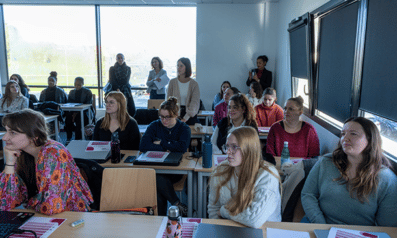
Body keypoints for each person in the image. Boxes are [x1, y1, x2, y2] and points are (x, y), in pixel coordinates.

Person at [301, 117, 397, 226]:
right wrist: (321, 225)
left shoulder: (387, 179)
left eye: (353, 134)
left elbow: (387, 226)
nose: (345, 138)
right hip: (318, 225)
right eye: (343, 134)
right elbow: (308, 194)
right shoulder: (326, 162)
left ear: (370, 140)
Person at [0, 109, 93, 215]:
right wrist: (9, 164)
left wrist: (29, 203)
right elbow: (6, 202)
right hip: (41, 216)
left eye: (12, 133)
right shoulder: (22, 154)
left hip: (69, 217)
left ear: (33, 135)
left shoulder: (53, 153)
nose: (4, 138)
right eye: (6, 131)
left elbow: (52, 207)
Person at [208, 126, 281, 228]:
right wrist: (219, 229)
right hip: (229, 229)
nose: (228, 152)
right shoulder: (221, 170)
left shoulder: (267, 176)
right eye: (227, 146)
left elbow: (254, 220)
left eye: (234, 147)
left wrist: (224, 211)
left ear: (249, 149)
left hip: (263, 231)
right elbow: (213, 208)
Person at [139, 97, 191, 216]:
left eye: (168, 117)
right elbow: (143, 146)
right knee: (156, 181)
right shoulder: (154, 125)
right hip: (155, 166)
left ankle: (160, 219)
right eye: (161, 117)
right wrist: (168, 147)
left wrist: (161, 142)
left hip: (175, 171)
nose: (164, 120)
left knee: (156, 178)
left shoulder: (184, 128)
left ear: (176, 115)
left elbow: (182, 147)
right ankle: (177, 204)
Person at [167, 57, 200, 125]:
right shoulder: (172, 82)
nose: (178, 68)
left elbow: (195, 103)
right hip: (174, 115)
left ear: (187, 67)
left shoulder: (194, 84)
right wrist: (174, 116)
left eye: (181, 66)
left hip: (190, 115)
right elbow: (168, 101)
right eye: (177, 66)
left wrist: (185, 118)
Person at [65, 77, 94, 142]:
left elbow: (88, 104)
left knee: (79, 119)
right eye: (75, 84)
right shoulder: (72, 92)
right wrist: (74, 113)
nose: (77, 86)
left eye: (79, 84)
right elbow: (69, 103)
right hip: (73, 111)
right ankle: (68, 138)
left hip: (85, 112)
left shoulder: (87, 92)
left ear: (82, 84)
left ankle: (77, 139)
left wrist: (76, 113)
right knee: (68, 119)